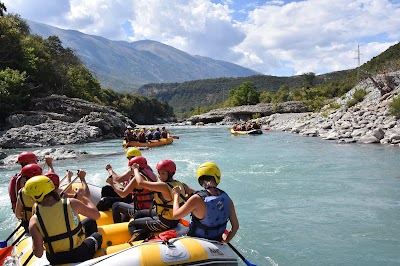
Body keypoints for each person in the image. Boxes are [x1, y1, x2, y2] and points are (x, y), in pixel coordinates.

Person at [26, 175, 102, 265]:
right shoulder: (72, 203)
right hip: (79, 254)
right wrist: (83, 197)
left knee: (90, 222)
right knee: (97, 236)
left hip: (55, 259)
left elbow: (38, 254)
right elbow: (96, 215)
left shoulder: (33, 221)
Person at [171, 162, 239, 243]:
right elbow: (235, 227)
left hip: (197, 241)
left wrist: (176, 195)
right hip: (216, 239)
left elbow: (176, 216)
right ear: (217, 177)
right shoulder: (227, 198)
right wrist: (226, 241)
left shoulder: (196, 199)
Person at [127, 159, 194, 240]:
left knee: (132, 224)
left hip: (166, 222)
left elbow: (141, 183)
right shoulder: (181, 184)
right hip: (170, 217)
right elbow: (193, 193)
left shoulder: (163, 186)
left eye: (163, 173)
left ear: (170, 174)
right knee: (139, 214)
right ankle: (145, 232)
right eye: (159, 173)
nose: (160, 176)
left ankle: (140, 242)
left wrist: (135, 170)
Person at [106, 156, 157, 223]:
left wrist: (111, 184)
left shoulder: (137, 179)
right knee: (128, 205)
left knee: (116, 205)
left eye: (131, 167)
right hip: (152, 207)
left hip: (141, 210)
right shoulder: (152, 174)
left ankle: (117, 226)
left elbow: (122, 194)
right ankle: (124, 223)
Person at [14, 164, 43, 230]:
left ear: (26, 179)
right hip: (47, 225)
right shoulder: (48, 190)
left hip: (30, 226)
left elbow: (18, 214)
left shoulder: (21, 192)